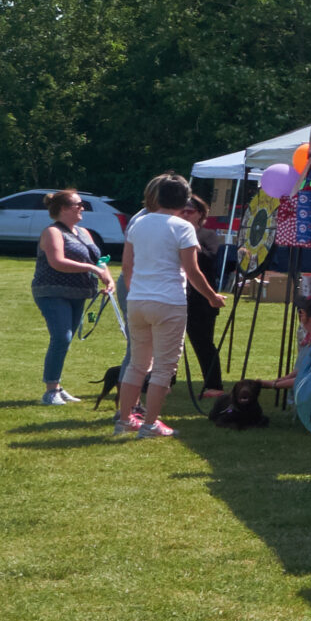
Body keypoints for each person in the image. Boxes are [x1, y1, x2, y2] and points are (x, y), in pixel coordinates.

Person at [114, 175, 227, 436]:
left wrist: (136, 292)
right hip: (168, 301)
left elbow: (127, 266)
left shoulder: (138, 223)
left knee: (137, 364)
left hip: (138, 300)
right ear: (184, 199)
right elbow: (193, 271)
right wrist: (212, 297)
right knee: (164, 367)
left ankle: (124, 420)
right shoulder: (183, 227)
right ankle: (151, 423)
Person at [31, 189, 115, 405]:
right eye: (78, 204)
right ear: (63, 209)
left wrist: (107, 277)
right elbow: (57, 261)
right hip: (52, 291)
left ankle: (57, 387)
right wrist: (91, 268)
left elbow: (99, 259)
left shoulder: (84, 232)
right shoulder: (52, 232)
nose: (82, 208)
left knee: (65, 341)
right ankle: (50, 391)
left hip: (79, 293)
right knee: (62, 337)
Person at [177, 195, 229, 394]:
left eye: (190, 210)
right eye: (182, 210)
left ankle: (213, 385)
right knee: (169, 342)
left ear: (200, 214)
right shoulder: (175, 233)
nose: (185, 214)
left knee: (203, 342)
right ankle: (165, 382)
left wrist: (190, 248)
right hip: (176, 294)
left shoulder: (208, 235)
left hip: (202, 298)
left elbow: (209, 259)